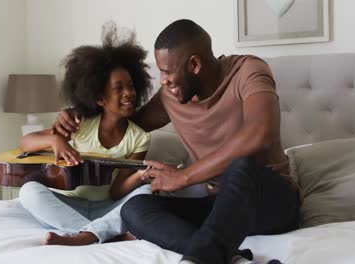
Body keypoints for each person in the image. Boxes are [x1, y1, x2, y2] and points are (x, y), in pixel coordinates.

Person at [53, 19, 300, 264]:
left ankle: (196, 260)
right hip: (219, 206)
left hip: (269, 202)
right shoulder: (170, 97)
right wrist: (77, 117)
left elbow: (261, 134)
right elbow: (121, 127)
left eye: (167, 71)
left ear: (194, 64)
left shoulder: (248, 71)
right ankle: (233, 259)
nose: (163, 80)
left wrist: (185, 176)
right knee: (135, 208)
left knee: (241, 167)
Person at [18, 22, 153, 246]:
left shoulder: (139, 138)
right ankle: (104, 233)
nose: (129, 93)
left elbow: (118, 191)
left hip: (108, 206)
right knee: (28, 191)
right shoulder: (78, 123)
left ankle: (85, 235)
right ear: (99, 97)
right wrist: (55, 139)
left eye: (131, 86)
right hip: (70, 205)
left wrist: (141, 176)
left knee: (146, 192)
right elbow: (25, 142)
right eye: (118, 88)